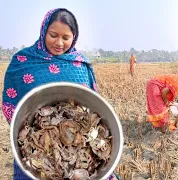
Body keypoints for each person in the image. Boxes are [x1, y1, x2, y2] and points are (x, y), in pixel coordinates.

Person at [1, 8, 120, 180]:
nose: (59, 43)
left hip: (78, 136)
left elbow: (91, 105)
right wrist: (27, 130)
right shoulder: (23, 61)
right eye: (53, 35)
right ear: (43, 32)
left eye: (66, 38)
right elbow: (10, 102)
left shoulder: (79, 64)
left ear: (74, 37)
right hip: (38, 136)